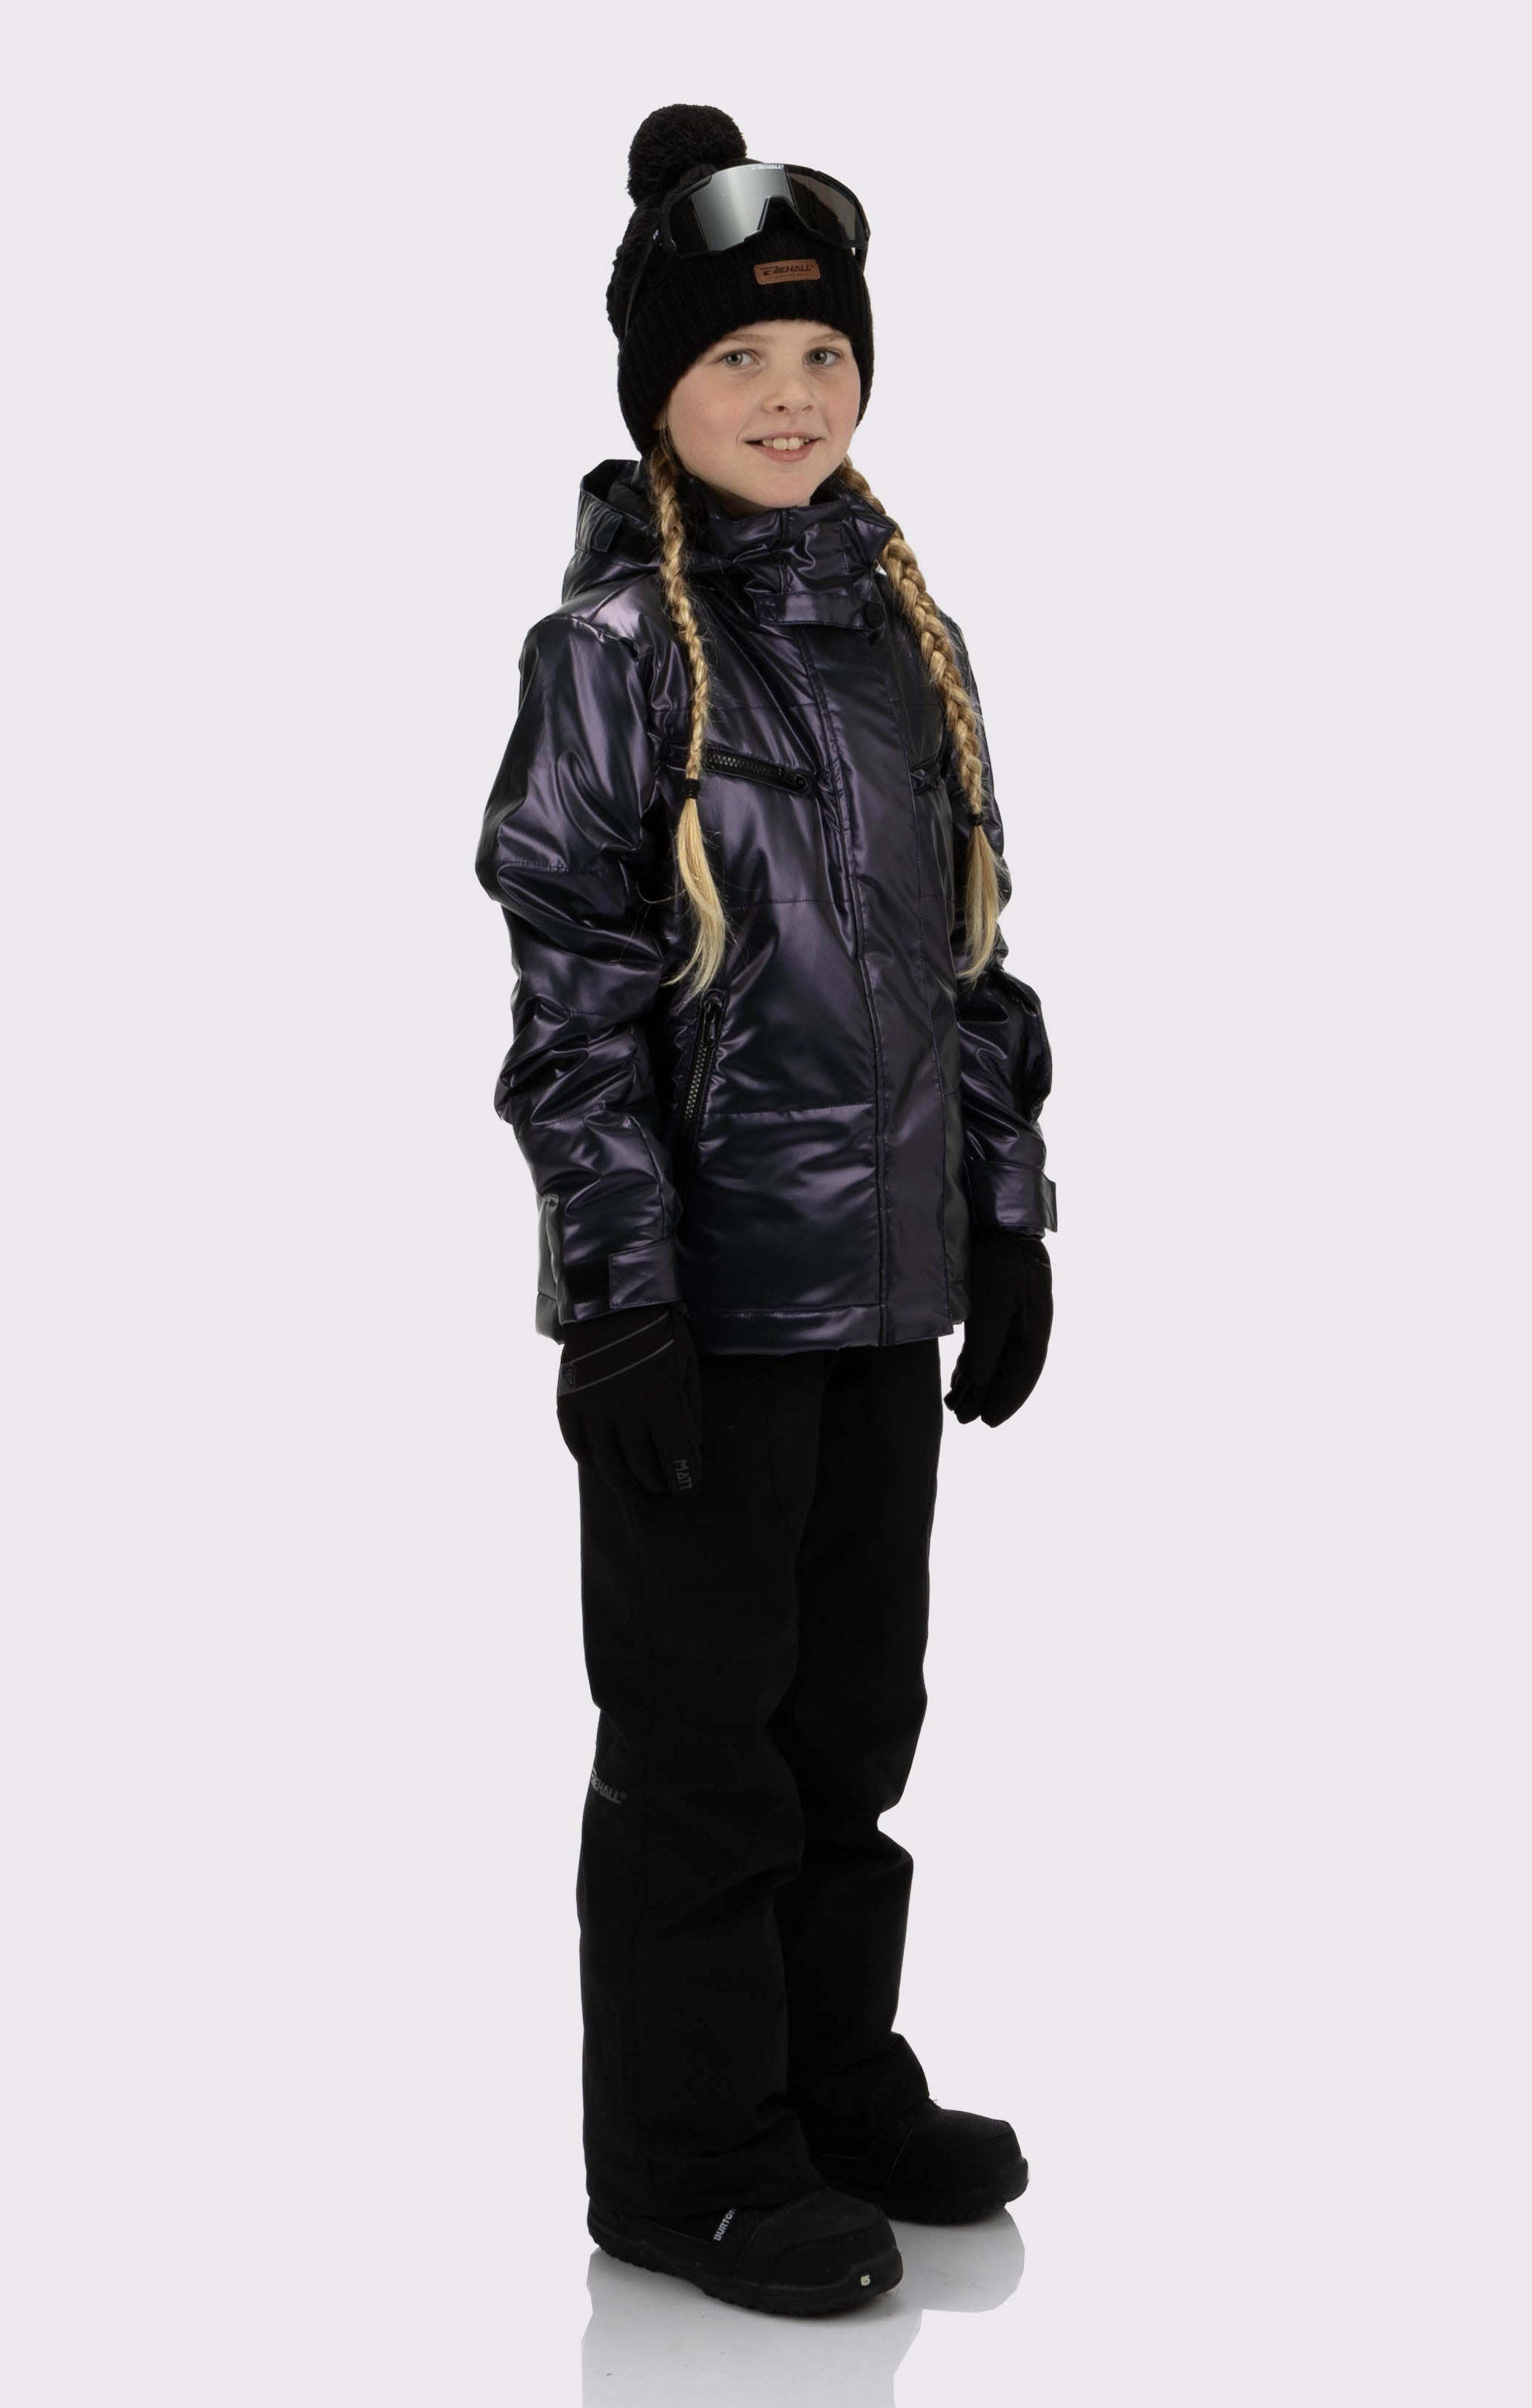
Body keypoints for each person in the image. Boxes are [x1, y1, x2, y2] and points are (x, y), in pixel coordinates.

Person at [475, 104, 1057, 2318]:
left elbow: (968, 961)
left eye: (821, 355)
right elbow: (573, 1002)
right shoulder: (616, 651)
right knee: (702, 1744)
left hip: (880, 1295)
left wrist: (1003, 1213)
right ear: (659, 390)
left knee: (850, 1726)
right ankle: (687, 2158)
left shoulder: (906, 635)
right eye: (738, 360)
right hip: (707, 1314)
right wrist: (620, 1295)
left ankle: (820, 2080)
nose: (789, 396)